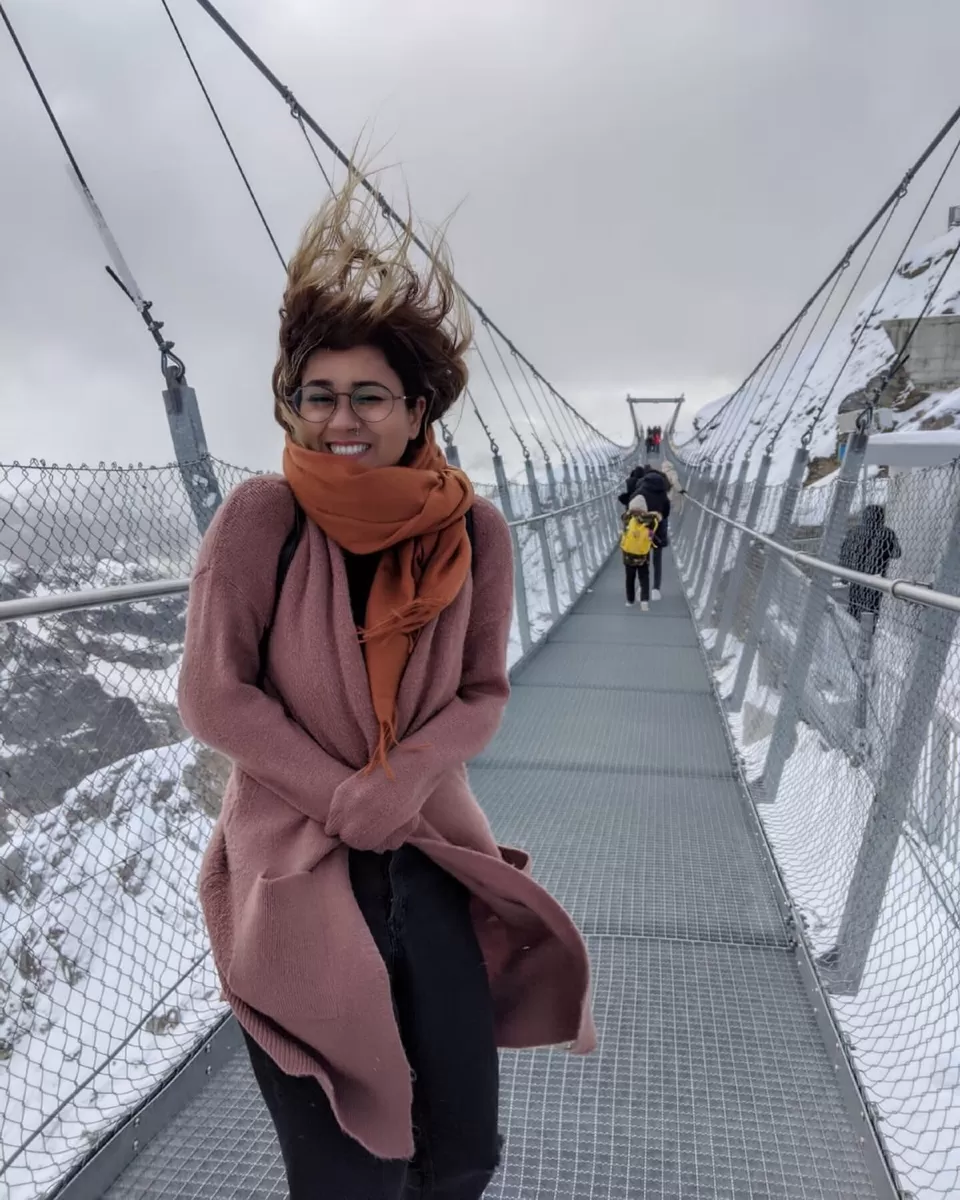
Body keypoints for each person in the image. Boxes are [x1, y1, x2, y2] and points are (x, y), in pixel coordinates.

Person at [177, 172, 596, 1200]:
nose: (339, 419)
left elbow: (482, 692)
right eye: (317, 395)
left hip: (426, 852)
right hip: (293, 870)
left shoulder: (475, 530)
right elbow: (212, 695)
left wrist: (397, 780)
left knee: (461, 1152)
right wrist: (338, 797)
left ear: (419, 409)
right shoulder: (260, 520)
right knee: (350, 1169)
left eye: (368, 395)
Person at [838, 503, 902, 622]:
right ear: (881, 517)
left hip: (856, 577)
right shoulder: (887, 533)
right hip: (875, 578)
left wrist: (844, 575)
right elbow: (897, 553)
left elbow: (844, 553)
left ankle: (853, 632)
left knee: (854, 606)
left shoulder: (854, 532)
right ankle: (867, 635)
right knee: (871, 610)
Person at [633, 466, 671, 600]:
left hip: (643, 529)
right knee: (657, 559)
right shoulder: (663, 492)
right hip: (658, 530)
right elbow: (666, 512)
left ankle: (642, 588)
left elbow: (631, 507)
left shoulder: (640, 489)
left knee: (643, 559)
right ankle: (656, 589)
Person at [621, 494, 660, 610]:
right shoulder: (650, 520)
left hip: (628, 555)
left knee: (630, 578)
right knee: (644, 577)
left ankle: (630, 600)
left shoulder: (628, 518)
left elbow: (623, 519)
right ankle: (644, 600)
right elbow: (656, 524)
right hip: (643, 554)